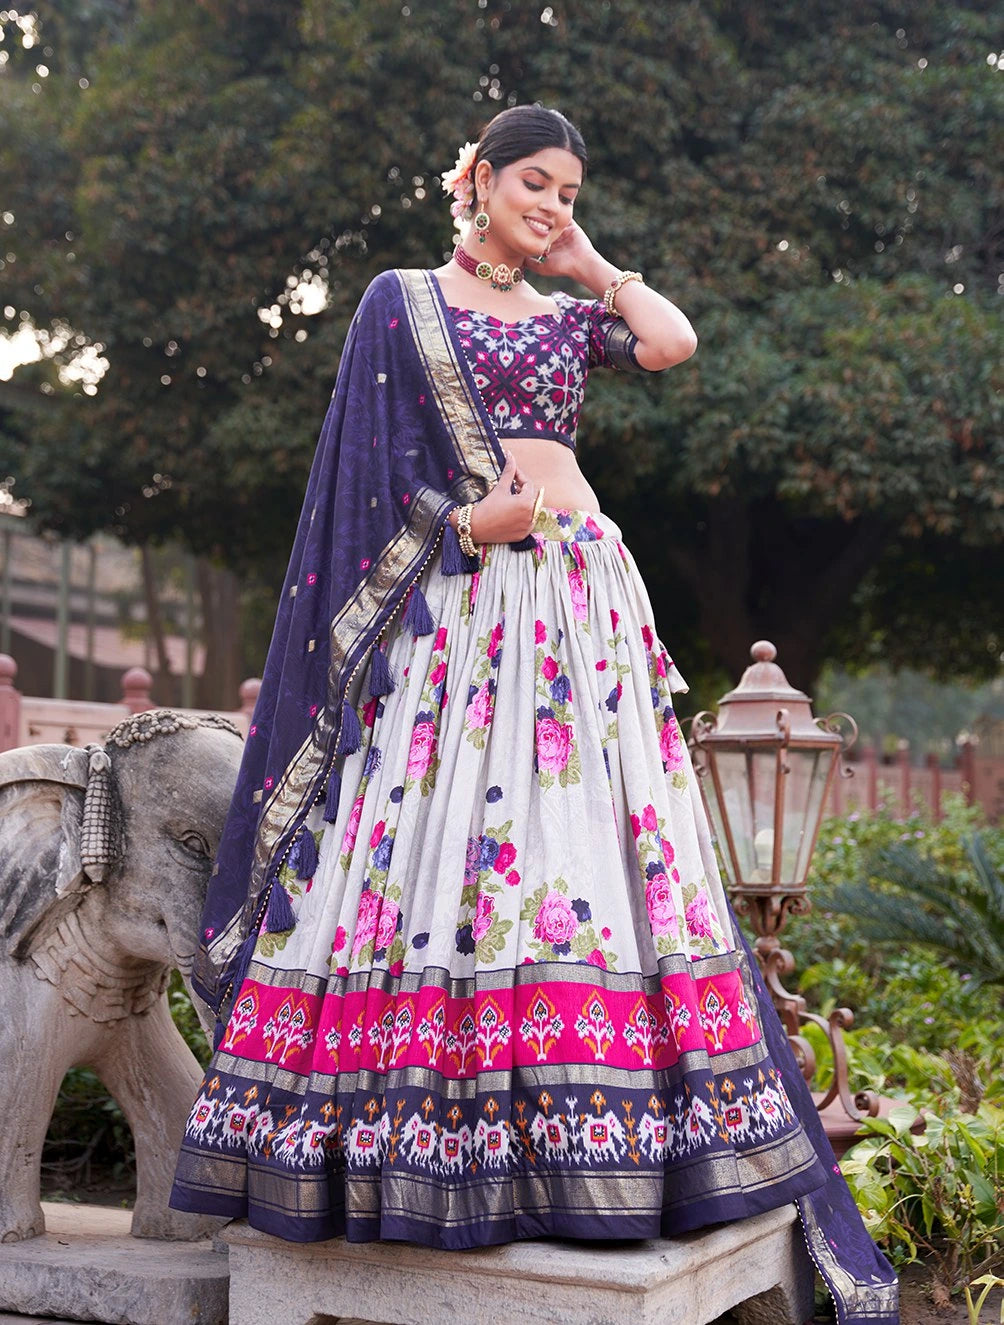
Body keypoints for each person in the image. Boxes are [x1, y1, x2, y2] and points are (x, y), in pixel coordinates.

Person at [171, 105, 897, 1321]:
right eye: (534, 183)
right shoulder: (402, 303)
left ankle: (592, 1137)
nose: (551, 203)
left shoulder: (567, 315)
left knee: (581, 853)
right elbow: (361, 477)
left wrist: (590, 262)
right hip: (463, 599)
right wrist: (468, 524)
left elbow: (669, 341)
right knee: (451, 850)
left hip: (577, 599)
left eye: (568, 190)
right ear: (478, 176)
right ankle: (428, 1143)